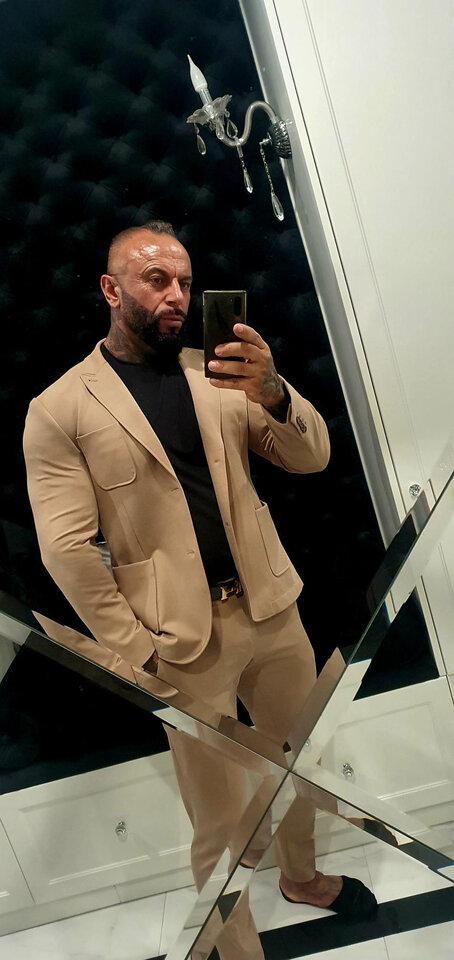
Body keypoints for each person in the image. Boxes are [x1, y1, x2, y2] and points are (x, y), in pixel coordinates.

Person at [23, 221, 376, 960]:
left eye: (184, 281)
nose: (176, 295)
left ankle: (303, 878)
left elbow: (311, 457)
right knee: (219, 821)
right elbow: (66, 550)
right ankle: (238, 951)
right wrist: (137, 651)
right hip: (178, 644)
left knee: (302, 765)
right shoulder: (60, 408)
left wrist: (271, 389)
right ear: (111, 289)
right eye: (156, 279)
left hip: (272, 610)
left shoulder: (218, 372)